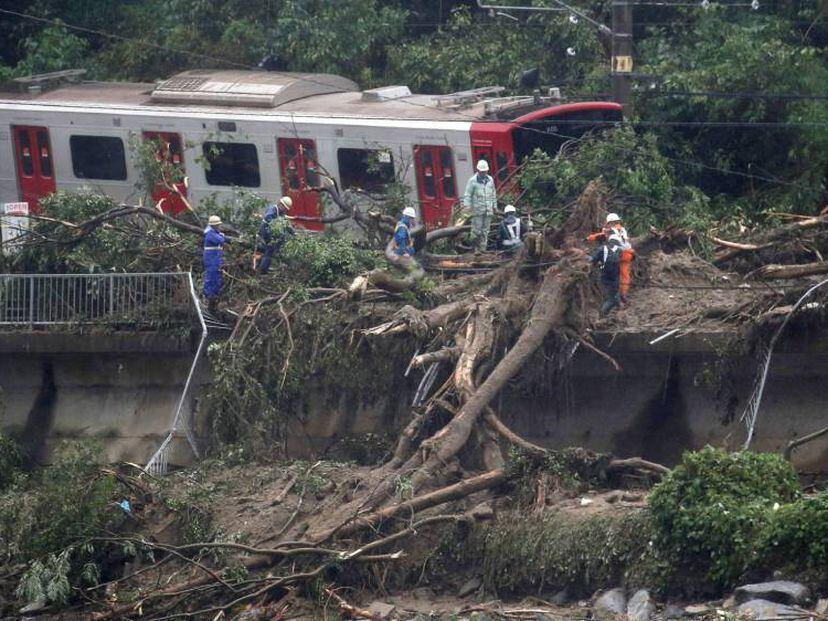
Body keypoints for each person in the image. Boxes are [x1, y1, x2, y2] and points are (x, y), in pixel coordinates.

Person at [587, 213, 634, 303]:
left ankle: (613, 296)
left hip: (617, 254)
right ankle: (623, 294)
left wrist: (589, 238)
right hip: (628, 254)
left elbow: (600, 235)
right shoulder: (623, 230)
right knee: (625, 275)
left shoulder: (611, 230)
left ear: (610, 222)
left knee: (612, 274)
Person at [463, 159, 497, 253]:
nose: (484, 173)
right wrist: (467, 206)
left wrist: (494, 206)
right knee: (476, 230)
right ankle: (475, 249)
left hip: (488, 210)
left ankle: (483, 249)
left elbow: (493, 194)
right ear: (478, 170)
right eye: (482, 171)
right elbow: (468, 195)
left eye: (485, 171)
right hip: (477, 210)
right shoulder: (472, 181)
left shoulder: (490, 180)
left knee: (485, 231)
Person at [257, 196, 294, 274]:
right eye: (284, 207)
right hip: (265, 230)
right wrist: (277, 224)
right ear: (280, 204)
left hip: (271, 231)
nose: (284, 209)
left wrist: (293, 233)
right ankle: (263, 270)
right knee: (270, 248)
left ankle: (261, 265)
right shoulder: (272, 210)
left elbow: (286, 224)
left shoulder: (281, 213)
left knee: (271, 247)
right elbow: (269, 219)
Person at [590, 232, 624, 316]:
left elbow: (593, 260)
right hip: (615, 276)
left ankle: (603, 314)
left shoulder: (602, 248)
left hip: (605, 276)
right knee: (614, 294)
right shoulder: (620, 250)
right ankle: (619, 306)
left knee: (610, 297)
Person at [203, 215, 227, 314]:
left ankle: (214, 296)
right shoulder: (210, 234)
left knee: (217, 276)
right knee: (211, 277)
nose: (219, 226)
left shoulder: (214, 232)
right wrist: (222, 235)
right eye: (218, 225)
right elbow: (221, 240)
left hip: (216, 258)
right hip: (211, 258)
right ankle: (209, 296)